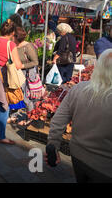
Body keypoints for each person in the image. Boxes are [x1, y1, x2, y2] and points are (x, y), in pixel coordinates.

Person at [47, 49, 112, 183]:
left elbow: (58, 121)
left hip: (78, 156)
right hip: (105, 166)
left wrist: (53, 146)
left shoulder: (79, 88)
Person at [10, 26, 40, 123]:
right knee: (16, 94)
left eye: (13, 36)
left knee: (26, 97)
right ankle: (14, 115)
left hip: (27, 74)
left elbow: (35, 62)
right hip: (17, 74)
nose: (11, 37)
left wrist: (22, 66)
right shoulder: (14, 46)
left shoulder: (27, 46)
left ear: (16, 37)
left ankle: (31, 117)